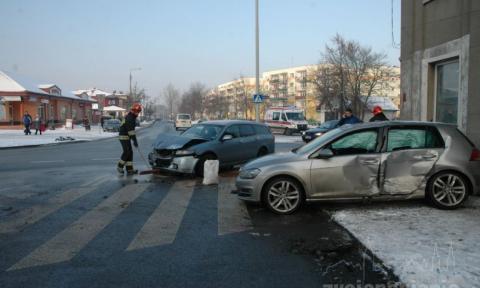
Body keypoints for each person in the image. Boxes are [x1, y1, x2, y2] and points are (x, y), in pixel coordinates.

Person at [117, 103, 142, 175]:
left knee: (130, 152)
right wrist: (135, 141)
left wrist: (134, 140)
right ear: (133, 110)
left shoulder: (131, 117)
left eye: (139, 111)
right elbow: (131, 132)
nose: (138, 113)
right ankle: (119, 167)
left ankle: (129, 169)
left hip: (126, 136)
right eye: (137, 111)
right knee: (127, 152)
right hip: (123, 136)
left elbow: (131, 132)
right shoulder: (130, 118)